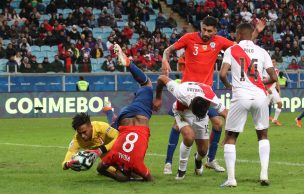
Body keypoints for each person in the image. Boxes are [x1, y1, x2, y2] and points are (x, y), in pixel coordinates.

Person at [161, 16, 265, 175]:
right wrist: (164, 59)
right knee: (178, 126)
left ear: (215, 31)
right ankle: (168, 162)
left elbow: (242, 46)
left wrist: (256, 31)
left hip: (207, 95)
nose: (206, 33)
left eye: (209, 31)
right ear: (201, 27)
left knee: (218, 124)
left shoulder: (220, 41)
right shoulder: (189, 38)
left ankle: (209, 160)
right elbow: (168, 50)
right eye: (203, 29)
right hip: (188, 93)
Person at [219, 23, 277, 187]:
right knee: (263, 135)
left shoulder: (232, 50)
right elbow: (273, 77)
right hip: (260, 96)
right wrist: (261, 82)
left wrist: (228, 85)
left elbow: (222, 74)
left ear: (238, 34)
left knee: (231, 137)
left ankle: (231, 179)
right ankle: (264, 175)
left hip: (241, 96)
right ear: (252, 34)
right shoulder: (262, 51)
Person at [86, 44, 154, 182]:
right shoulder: (114, 157)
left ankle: (110, 110)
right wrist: (117, 176)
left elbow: (149, 179)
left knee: (147, 85)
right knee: (146, 84)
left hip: (138, 117)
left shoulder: (137, 165)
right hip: (128, 114)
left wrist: (126, 178)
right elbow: (100, 169)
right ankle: (128, 64)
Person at [153, 74, 227, 180]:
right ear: (191, 104)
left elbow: (226, 114)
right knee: (189, 137)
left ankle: (198, 159)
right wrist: (158, 98)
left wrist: (229, 134)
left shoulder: (211, 97)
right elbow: (161, 78)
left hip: (202, 117)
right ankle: (181, 170)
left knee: (203, 151)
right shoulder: (180, 91)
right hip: (181, 112)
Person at [264, 58, 282, 126]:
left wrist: (279, 91)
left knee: (280, 104)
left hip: (273, 90)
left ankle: (275, 120)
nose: (273, 63)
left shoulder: (277, 71)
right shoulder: (266, 70)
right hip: (267, 90)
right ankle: (263, 121)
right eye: (272, 62)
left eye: (274, 62)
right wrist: (267, 88)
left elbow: (277, 81)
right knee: (264, 106)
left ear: (276, 63)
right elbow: (263, 80)